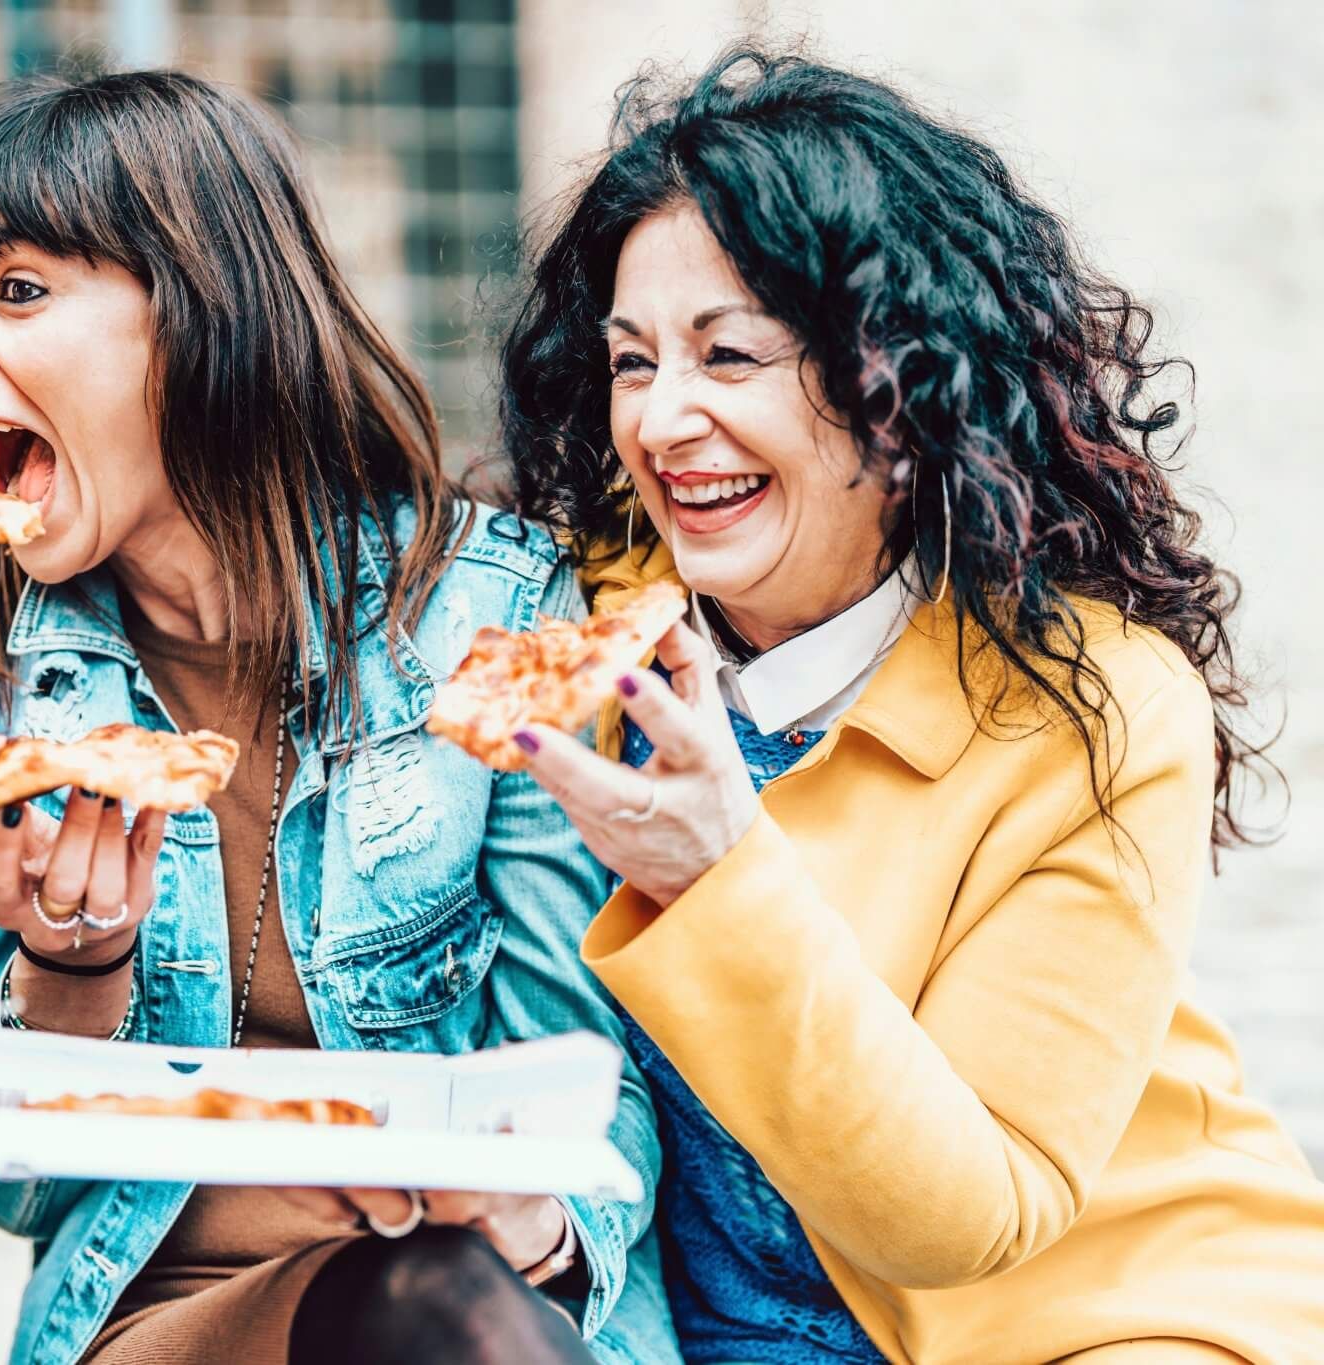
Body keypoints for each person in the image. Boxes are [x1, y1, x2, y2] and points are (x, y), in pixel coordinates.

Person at [498, 47, 1324, 1363]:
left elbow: (963, 1217)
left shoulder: (1097, 704)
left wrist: (722, 869)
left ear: (898, 394)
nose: (665, 419)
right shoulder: (573, 665)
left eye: (732, 355)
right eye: (633, 362)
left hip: (1111, 1325)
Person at [0, 70, 677, 1365]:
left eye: (16, 291)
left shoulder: (501, 619)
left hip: (490, 1299)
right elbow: (7, 1187)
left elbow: (583, 1077)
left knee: (436, 1294)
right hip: (162, 1315)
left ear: (202, 316)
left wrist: (527, 1216)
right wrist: (72, 972)